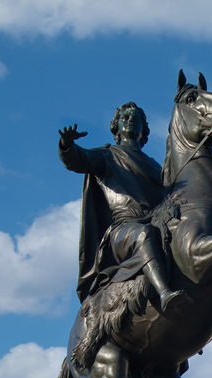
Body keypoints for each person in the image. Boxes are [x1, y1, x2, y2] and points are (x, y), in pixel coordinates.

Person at [58, 102, 180, 311]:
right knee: (144, 233)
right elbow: (78, 159)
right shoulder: (108, 155)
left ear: (144, 130)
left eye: (135, 118)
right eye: (125, 117)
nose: (130, 120)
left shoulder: (155, 165)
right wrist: (67, 146)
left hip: (157, 222)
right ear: (116, 127)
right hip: (124, 229)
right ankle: (164, 292)